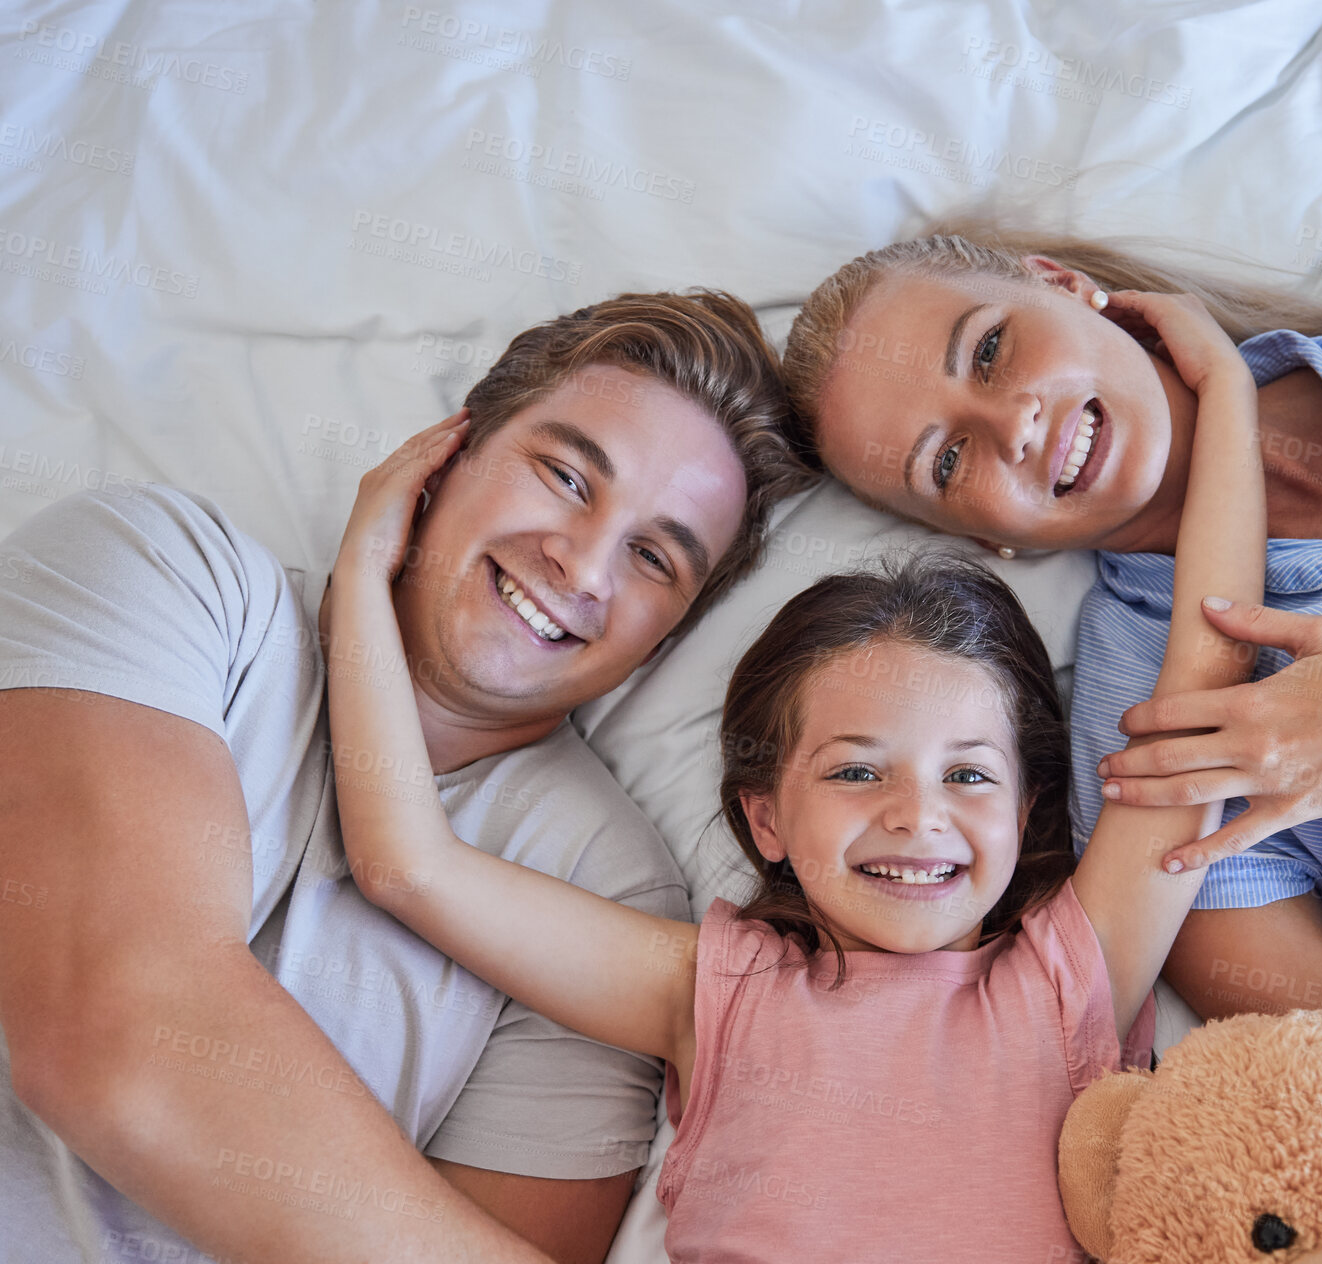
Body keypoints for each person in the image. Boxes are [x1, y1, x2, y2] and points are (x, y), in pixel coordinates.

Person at [317, 286, 1266, 1261]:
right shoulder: (712, 992)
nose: (915, 815)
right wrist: (364, 574)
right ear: (765, 820)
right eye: (856, 773)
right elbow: (405, 865)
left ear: (1027, 815)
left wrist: (1227, 391)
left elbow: (1209, 678)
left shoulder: (1078, 975)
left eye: (970, 778)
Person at [0, 291, 814, 1264]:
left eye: (652, 557)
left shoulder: (606, 886)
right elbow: (118, 1034)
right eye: (564, 476)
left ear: (664, 637)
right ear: (445, 455)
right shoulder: (167, 574)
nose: (584, 565)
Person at [778, 219, 1322, 1079]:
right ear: (985, 541)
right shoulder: (1143, 743)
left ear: (1059, 281)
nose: (1011, 424)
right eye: (946, 463)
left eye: (988, 351)